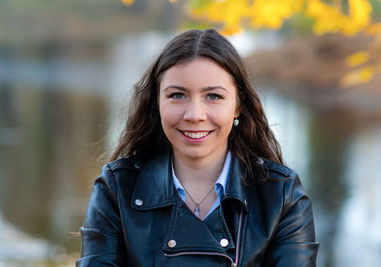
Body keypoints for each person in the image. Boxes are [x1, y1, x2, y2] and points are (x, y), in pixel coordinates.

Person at [77, 29, 319, 267]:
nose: (194, 115)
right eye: (177, 95)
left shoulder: (281, 195)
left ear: (237, 105)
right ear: (156, 103)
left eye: (213, 96)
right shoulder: (117, 188)